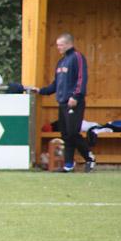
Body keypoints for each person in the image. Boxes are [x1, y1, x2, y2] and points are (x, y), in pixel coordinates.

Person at [32, 33, 95, 173]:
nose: (58, 48)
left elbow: (81, 78)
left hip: (74, 102)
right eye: (57, 45)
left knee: (73, 133)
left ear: (68, 44)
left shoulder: (77, 57)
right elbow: (56, 84)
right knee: (65, 134)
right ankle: (68, 165)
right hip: (62, 103)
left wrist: (76, 96)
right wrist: (41, 91)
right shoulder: (61, 62)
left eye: (60, 45)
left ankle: (89, 157)